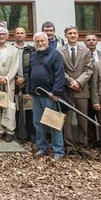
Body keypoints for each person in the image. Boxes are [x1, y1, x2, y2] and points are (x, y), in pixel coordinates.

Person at [26, 31, 66, 159]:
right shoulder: (33, 55)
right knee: (38, 123)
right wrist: (28, 91)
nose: (40, 43)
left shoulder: (55, 55)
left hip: (50, 96)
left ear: (47, 41)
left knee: (53, 123)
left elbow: (60, 75)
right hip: (36, 95)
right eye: (37, 41)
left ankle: (58, 151)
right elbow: (29, 74)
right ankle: (42, 148)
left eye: (42, 41)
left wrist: (56, 92)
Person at [59, 26, 94, 155]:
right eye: (70, 33)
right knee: (67, 120)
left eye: (74, 33)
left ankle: (82, 145)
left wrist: (78, 82)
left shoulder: (85, 51)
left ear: (78, 35)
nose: (72, 35)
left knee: (82, 119)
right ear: (65, 35)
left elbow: (88, 70)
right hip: (67, 90)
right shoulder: (59, 50)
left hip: (81, 90)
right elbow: (59, 70)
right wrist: (70, 82)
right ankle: (68, 145)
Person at [12, 27, 36, 144]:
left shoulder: (31, 49)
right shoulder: (10, 48)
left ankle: (31, 134)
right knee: (15, 108)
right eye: (17, 33)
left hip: (28, 83)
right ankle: (17, 133)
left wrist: (25, 79)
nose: (19, 35)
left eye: (22, 33)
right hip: (13, 82)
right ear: (14, 35)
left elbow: (34, 67)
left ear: (25, 35)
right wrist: (15, 78)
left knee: (29, 109)